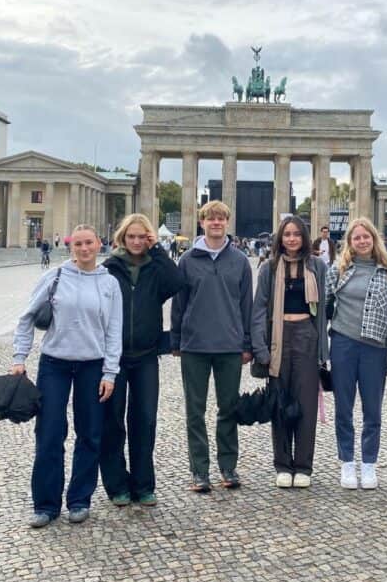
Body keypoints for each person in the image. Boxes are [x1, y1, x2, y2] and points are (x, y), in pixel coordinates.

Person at [11, 224, 122, 528]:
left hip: (93, 365)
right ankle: (46, 504)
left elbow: (114, 331)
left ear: (100, 244)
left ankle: (79, 499)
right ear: (72, 246)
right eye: (79, 244)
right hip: (55, 364)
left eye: (90, 243)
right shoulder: (54, 277)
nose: (84, 249)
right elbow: (26, 319)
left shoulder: (109, 283)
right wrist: (19, 358)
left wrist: (110, 372)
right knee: (49, 433)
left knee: (89, 434)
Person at [100, 213, 185, 507]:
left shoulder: (155, 268)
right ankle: (117, 485)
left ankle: (144, 484)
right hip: (114, 358)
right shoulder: (109, 269)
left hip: (146, 355)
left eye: (142, 237)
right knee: (112, 421)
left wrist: (158, 248)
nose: (136, 242)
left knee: (145, 420)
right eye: (131, 237)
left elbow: (177, 282)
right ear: (122, 238)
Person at [171, 201, 253, 493]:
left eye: (221, 219)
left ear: (227, 223)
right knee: (195, 410)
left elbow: (247, 306)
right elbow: (178, 304)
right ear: (202, 222)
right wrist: (176, 340)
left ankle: (228, 466)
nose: (216, 223)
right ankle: (199, 471)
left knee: (228, 409)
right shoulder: (188, 260)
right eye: (211, 219)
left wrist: (247, 344)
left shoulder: (240, 261)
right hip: (194, 345)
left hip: (229, 345)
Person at [251, 216, 328, 488]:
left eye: (297, 234)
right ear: (280, 238)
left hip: (307, 335)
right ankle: (283, 464)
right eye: (287, 234)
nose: (292, 239)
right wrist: (260, 349)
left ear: (304, 238)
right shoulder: (269, 269)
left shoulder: (317, 266)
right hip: (278, 339)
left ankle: (304, 466)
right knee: (280, 403)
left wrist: (323, 351)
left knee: (306, 404)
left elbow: (324, 312)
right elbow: (259, 309)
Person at [324, 218, 387, 490]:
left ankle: (369, 464)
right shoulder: (338, 270)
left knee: (372, 410)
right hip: (343, 343)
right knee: (344, 407)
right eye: (357, 238)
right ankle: (346, 462)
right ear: (350, 242)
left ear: (373, 239)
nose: (362, 241)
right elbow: (325, 305)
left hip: (374, 346)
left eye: (366, 237)